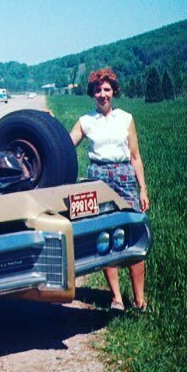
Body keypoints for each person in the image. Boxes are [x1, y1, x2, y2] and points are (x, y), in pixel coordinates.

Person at [69, 67, 149, 312]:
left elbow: (135, 156)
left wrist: (142, 189)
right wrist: (48, 123)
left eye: (106, 89)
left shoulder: (126, 118)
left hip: (124, 176)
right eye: (97, 90)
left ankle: (140, 301)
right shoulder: (85, 121)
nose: (102, 94)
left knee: (134, 233)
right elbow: (64, 144)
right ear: (92, 93)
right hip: (98, 178)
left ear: (113, 91)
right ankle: (116, 299)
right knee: (103, 235)